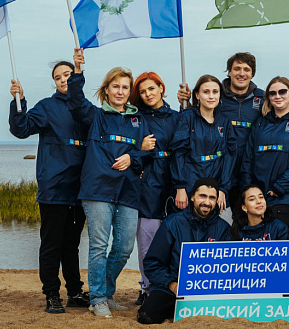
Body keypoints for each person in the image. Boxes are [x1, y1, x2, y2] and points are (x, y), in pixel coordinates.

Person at [67, 50, 153, 318]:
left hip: (128, 190)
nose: (120, 91)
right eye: (115, 86)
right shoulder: (95, 116)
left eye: (125, 87)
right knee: (98, 246)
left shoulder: (138, 120)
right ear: (106, 90)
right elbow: (75, 100)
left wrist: (133, 155)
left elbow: (146, 153)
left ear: (130, 92)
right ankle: (98, 298)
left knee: (125, 245)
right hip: (97, 190)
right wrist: (78, 73)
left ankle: (106, 290)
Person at [8, 62, 89, 314]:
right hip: (54, 189)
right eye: (58, 77)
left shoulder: (87, 109)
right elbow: (20, 129)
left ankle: (74, 292)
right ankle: (52, 294)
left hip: (81, 191)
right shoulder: (47, 107)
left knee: (72, 245)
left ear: (77, 77)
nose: (63, 80)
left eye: (68, 75)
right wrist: (18, 101)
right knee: (52, 244)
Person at [137, 177, 231, 325]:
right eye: (202, 196)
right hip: (173, 288)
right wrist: (171, 284)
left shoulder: (224, 229)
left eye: (212, 198)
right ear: (192, 196)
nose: (207, 202)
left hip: (208, 291)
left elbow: (229, 268)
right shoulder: (172, 223)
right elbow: (152, 263)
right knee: (146, 316)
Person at [178, 52, 264, 209]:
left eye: (247, 69)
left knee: (243, 219)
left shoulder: (263, 98)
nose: (242, 73)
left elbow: (281, 113)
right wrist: (186, 103)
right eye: (237, 68)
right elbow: (197, 120)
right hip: (218, 171)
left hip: (248, 170)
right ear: (229, 71)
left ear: (252, 73)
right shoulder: (218, 95)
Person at [129, 71, 180, 306]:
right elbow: (128, 152)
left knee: (175, 242)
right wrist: (140, 148)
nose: (148, 94)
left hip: (175, 183)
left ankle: (174, 285)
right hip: (147, 186)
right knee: (147, 242)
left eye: (151, 88)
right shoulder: (136, 118)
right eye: (142, 91)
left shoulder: (179, 116)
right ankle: (147, 288)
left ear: (161, 88)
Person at [239, 76, 289, 226]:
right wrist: (248, 189)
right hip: (257, 195)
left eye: (282, 92)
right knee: (256, 239)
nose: (277, 96)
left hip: (283, 195)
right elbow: (248, 159)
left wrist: (280, 187)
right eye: (273, 93)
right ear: (268, 97)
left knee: (277, 236)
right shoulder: (259, 123)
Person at [170, 75, 236, 214]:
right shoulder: (187, 117)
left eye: (215, 92)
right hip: (190, 183)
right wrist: (180, 187)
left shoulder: (225, 122)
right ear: (197, 95)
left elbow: (230, 156)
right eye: (206, 92)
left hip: (216, 185)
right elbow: (178, 153)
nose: (211, 96)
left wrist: (223, 188)